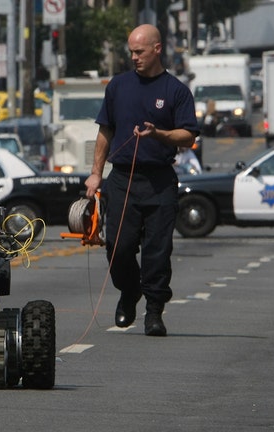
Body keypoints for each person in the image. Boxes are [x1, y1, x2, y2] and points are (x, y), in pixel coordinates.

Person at [84, 24, 200, 337]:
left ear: (157, 49)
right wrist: (96, 173)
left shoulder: (175, 90)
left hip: (160, 180)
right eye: (131, 52)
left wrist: (160, 134)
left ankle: (153, 310)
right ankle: (129, 291)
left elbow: (188, 136)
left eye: (140, 52)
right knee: (118, 248)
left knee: (157, 251)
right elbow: (105, 131)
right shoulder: (118, 86)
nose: (134, 57)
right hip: (121, 179)